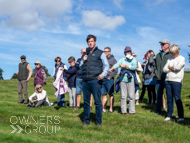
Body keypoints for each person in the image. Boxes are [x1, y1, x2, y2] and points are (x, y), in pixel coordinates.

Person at [81, 34, 109, 126]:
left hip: (95, 80)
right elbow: (80, 67)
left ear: (95, 42)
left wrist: (103, 74)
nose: (90, 43)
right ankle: (86, 120)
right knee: (86, 102)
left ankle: (98, 122)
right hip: (85, 81)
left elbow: (106, 65)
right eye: (88, 41)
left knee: (97, 101)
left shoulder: (100, 52)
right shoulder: (85, 53)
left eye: (92, 41)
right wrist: (83, 60)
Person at [109, 46, 137, 115]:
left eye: (129, 51)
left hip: (131, 80)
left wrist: (125, 66)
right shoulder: (122, 59)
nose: (128, 53)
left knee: (131, 96)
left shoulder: (133, 60)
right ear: (125, 53)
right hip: (122, 80)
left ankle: (132, 111)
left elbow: (134, 67)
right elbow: (117, 64)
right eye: (127, 52)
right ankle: (123, 111)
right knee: (123, 96)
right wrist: (112, 68)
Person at [163, 44, 185, 121]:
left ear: (176, 52)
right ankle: (169, 115)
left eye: (172, 52)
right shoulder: (169, 59)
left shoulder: (182, 58)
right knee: (169, 99)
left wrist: (171, 67)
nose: (171, 54)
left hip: (177, 81)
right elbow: (164, 69)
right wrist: (170, 68)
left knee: (177, 98)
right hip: (168, 81)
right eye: (171, 52)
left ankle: (181, 116)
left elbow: (178, 68)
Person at [154, 39, 172, 114]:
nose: (162, 45)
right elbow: (154, 65)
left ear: (168, 45)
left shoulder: (171, 54)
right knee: (159, 95)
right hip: (159, 78)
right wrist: (155, 72)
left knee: (169, 96)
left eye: (163, 44)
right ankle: (158, 110)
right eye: (161, 44)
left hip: (168, 78)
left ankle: (170, 112)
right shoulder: (158, 55)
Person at [102, 47, 118, 113]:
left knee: (111, 94)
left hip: (109, 79)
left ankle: (111, 108)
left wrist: (110, 76)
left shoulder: (113, 60)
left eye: (106, 51)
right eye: (104, 51)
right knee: (103, 95)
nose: (105, 53)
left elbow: (116, 70)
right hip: (102, 79)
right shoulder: (102, 59)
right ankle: (103, 109)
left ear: (109, 52)